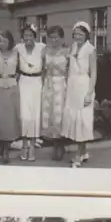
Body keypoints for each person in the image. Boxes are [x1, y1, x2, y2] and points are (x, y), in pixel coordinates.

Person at [61, 21, 97, 168]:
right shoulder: (73, 46)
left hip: (84, 86)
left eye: (81, 34)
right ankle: (83, 152)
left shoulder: (90, 49)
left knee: (82, 121)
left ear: (86, 35)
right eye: (76, 34)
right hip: (72, 86)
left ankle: (78, 155)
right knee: (75, 120)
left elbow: (94, 72)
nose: (78, 36)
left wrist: (90, 92)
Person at [15, 24, 46, 162]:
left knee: (34, 115)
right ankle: (24, 146)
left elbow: (48, 63)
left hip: (37, 82)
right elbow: (4, 53)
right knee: (24, 114)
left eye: (31, 35)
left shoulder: (42, 47)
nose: (28, 38)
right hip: (23, 81)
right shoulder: (18, 48)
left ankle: (32, 146)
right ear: (22, 37)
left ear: (35, 36)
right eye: (25, 35)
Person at [41, 26, 69, 161]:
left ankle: (61, 144)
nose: (54, 40)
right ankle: (54, 144)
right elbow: (42, 70)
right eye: (51, 37)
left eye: (57, 37)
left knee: (60, 115)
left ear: (62, 38)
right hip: (48, 84)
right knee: (50, 115)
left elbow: (70, 71)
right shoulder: (45, 51)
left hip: (61, 85)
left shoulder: (66, 52)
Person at [0, 30, 21, 164]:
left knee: (9, 119)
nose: (1, 43)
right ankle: (0, 144)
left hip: (11, 86)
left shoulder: (16, 53)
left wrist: (15, 79)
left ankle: (6, 149)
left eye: (4, 40)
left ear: (10, 41)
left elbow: (22, 69)